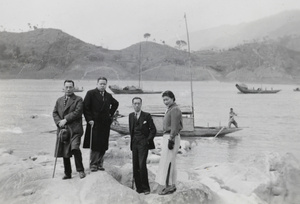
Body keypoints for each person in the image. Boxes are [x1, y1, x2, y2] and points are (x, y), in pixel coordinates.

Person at [83, 77, 119, 172]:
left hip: (105, 123)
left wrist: (110, 114)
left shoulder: (108, 95)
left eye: (104, 84)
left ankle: (100, 163)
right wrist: (89, 119)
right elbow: (85, 108)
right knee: (95, 143)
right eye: (101, 84)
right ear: (97, 84)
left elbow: (115, 104)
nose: (102, 85)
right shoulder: (90, 93)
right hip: (94, 122)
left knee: (103, 144)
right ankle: (93, 164)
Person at [52, 80, 86, 179]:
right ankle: (67, 173)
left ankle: (80, 170)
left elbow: (78, 112)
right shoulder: (59, 100)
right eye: (66, 87)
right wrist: (59, 122)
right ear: (63, 88)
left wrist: (65, 120)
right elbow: (54, 113)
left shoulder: (78, 99)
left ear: (73, 88)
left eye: (70, 87)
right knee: (64, 152)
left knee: (75, 148)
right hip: (63, 130)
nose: (68, 89)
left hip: (75, 129)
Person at [155, 90, 182, 195]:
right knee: (171, 161)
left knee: (168, 162)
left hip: (172, 137)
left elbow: (174, 126)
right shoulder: (170, 109)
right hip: (169, 136)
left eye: (167, 99)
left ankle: (168, 186)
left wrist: (171, 139)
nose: (165, 102)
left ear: (173, 98)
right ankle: (171, 184)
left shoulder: (175, 109)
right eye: (164, 100)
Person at [129, 97, 157, 195]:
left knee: (142, 165)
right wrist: (132, 143)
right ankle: (139, 188)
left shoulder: (147, 116)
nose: (137, 105)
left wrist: (147, 140)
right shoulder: (131, 116)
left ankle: (146, 188)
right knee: (135, 165)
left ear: (141, 104)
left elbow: (153, 130)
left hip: (143, 144)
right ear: (132, 104)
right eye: (135, 103)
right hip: (134, 143)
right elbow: (131, 130)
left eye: (138, 103)